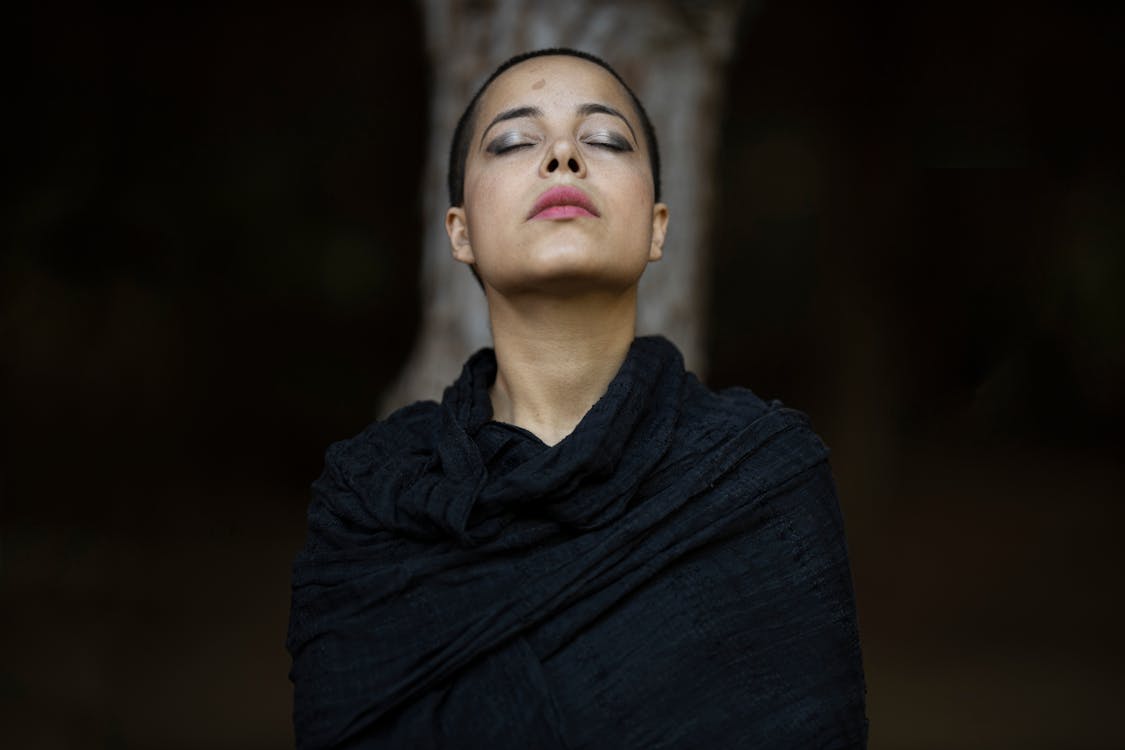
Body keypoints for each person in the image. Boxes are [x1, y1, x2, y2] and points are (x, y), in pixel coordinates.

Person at [287, 48, 868, 749]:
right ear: (459, 232)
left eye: (604, 140)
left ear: (657, 227)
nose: (563, 155)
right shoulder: (371, 501)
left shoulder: (760, 478)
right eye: (513, 141)